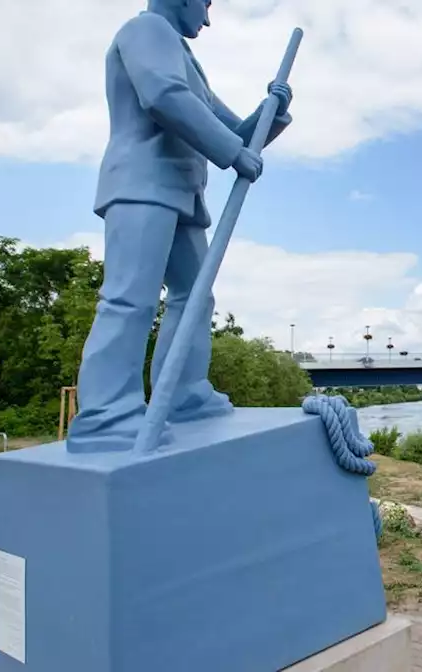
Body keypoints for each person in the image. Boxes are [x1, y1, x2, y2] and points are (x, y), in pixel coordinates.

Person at [68, 0, 294, 452]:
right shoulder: (146, 30)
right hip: (141, 184)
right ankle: (106, 412)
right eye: (206, 4)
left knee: (195, 297)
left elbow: (234, 130)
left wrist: (273, 112)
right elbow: (163, 97)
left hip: (181, 193)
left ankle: (183, 394)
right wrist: (233, 153)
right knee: (130, 296)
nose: (208, 19)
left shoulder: (184, 56)